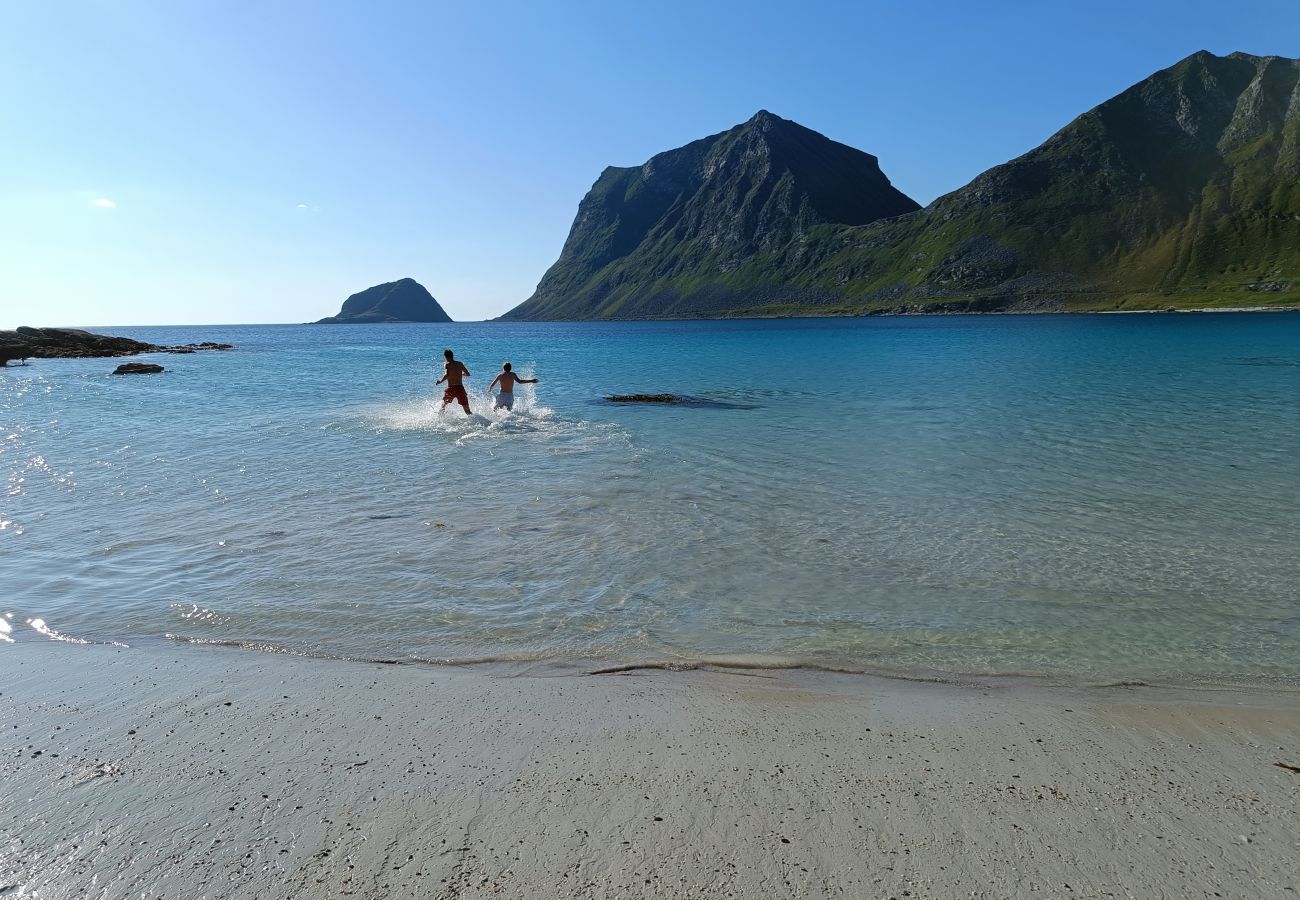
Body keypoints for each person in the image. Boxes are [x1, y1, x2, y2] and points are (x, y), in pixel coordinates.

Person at [436, 348, 472, 415]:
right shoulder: (460, 363)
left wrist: (440, 381)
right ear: (452, 356)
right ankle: (477, 422)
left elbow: (447, 375)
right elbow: (468, 374)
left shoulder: (447, 365)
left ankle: (439, 420)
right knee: (467, 411)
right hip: (460, 388)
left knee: (443, 406)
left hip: (451, 389)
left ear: (446, 357)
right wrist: (460, 374)